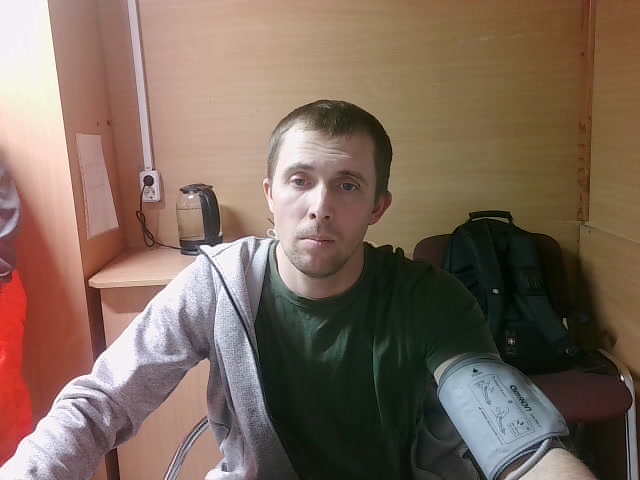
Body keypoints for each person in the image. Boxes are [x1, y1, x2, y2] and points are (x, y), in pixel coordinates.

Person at [0, 100, 596, 480]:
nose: (320, 207)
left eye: (348, 185)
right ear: (270, 194)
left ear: (378, 207)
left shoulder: (430, 299)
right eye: (299, 180)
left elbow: (520, 443)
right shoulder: (219, 284)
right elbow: (103, 402)